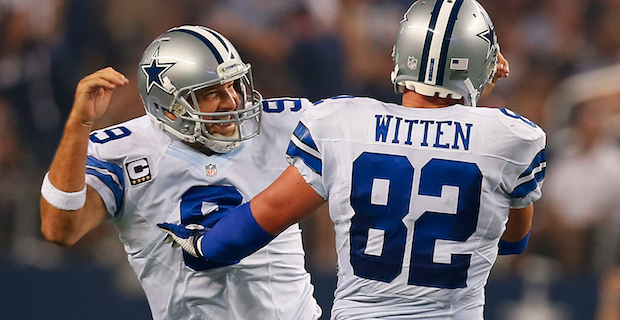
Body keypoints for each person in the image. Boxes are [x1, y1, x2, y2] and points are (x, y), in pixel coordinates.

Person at [159, 1, 546, 319]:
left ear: (401, 55)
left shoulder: (342, 123)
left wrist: (202, 247)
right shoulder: (511, 138)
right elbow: (511, 242)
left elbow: (265, 216)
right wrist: (483, 90)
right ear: (482, 64)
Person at [39, 25, 321, 320]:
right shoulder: (124, 151)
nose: (232, 101)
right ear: (170, 107)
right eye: (212, 93)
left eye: (234, 85)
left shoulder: (282, 123)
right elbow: (60, 229)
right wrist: (79, 127)